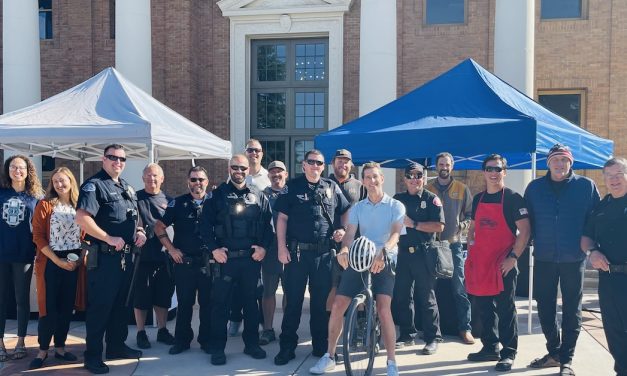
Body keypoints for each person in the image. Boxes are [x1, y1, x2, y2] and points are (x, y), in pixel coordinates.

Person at [309, 162, 404, 376]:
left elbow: (396, 234)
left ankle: (391, 362)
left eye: (375, 177)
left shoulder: (394, 205)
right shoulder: (358, 207)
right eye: (368, 177)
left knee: (383, 309)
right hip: (360, 258)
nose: (372, 181)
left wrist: (384, 252)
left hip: (384, 259)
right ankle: (329, 356)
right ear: (363, 180)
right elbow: (350, 233)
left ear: (382, 179)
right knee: (338, 304)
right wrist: (344, 250)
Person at [525, 144, 600, 375]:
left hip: (573, 258)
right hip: (545, 257)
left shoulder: (586, 187)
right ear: (548, 163)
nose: (560, 164)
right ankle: (554, 351)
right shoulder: (535, 188)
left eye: (564, 160)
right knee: (545, 307)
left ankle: (566, 358)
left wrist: (593, 248)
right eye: (555, 160)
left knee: (571, 309)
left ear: (571, 163)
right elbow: (526, 222)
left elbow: (595, 220)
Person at [274, 149, 351, 365]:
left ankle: (320, 345)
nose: (315, 166)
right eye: (311, 162)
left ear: (323, 166)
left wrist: (343, 230)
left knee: (319, 304)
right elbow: (281, 219)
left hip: (324, 255)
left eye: (319, 163)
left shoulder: (332, 187)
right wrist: (281, 247)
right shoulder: (292, 187)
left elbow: (346, 210)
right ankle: (287, 347)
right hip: (297, 255)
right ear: (304, 165)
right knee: (293, 303)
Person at [76, 144, 146, 374]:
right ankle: (93, 356)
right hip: (105, 260)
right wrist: (108, 238)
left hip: (125, 259)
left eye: (122, 159)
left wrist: (140, 232)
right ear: (102, 159)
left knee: (121, 306)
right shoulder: (94, 186)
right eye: (113, 157)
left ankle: (116, 347)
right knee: (100, 308)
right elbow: (82, 218)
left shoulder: (127, 187)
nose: (118, 162)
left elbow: (134, 218)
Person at [200, 154, 273, 365]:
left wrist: (264, 249)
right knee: (220, 305)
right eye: (235, 167)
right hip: (226, 261)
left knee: (251, 304)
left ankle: (252, 344)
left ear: (248, 170)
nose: (239, 171)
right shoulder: (217, 196)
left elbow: (269, 228)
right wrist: (214, 249)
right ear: (229, 168)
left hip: (251, 260)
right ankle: (217, 348)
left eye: (242, 167)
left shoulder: (259, 196)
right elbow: (204, 227)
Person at [465, 154, 530, 372]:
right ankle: (490, 347)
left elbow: (525, 231)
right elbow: (473, 227)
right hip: (481, 263)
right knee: (484, 309)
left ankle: (508, 352)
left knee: (505, 309)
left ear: (505, 172)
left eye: (498, 169)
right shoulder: (478, 199)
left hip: (503, 264)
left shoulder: (513, 198)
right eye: (490, 169)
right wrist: (470, 245)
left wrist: (513, 258)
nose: (494, 173)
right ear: (483, 172)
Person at [154, 166, 212, 356]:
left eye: (201, 179)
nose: (198, 183)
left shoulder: (214, 202)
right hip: (184, 263)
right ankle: (182, 340)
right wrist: (171, 250)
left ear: (207, 181)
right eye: (194, 179)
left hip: (207, 263)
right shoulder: (178, 203)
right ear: (188, 182)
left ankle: (206, 340)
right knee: (185, 303)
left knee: (207, 304)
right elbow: (159, 226)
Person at [30, 167, 84, 369]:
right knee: (48, 308)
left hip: (73, 261)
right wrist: (57, 261)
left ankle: (60, 349)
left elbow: (85, 236)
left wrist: (78, 260)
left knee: (66, 308)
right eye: (55, 182)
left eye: (63, 180)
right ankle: (43, 350)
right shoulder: (45, 205)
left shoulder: (79, 205)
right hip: (51, 261)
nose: (59, 185)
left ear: (71, 181)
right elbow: (38, 236)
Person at [391, 162, 445, 354]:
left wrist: (414, 223)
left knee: (427, 297)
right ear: (404, 178)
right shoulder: (397, 200)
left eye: (418, 175)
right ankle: (407, 335)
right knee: (402, 297)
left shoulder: (432, 199)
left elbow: (439, 226)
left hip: (424, 254)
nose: (415, 179)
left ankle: (432, 337)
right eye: (410, 175)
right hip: (403, 254)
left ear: (424, 177)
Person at [581, 157, 627, 376]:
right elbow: (586, 238)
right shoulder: (601, 207)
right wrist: (592, 251)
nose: (614, 180)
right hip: (609, 279)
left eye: (619, 174)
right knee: (614, 330)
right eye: (609, 176)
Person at [426, 152, 475, 344]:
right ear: (436, 166)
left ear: (452, 166)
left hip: (453, 245)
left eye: (447, 164)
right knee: (429, 289)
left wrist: (459, 229)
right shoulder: (428, 189)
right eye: (440, 164)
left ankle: (465, 328)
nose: (444, 167)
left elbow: (471, 216)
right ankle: (432, 331)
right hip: (432, 246)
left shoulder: (462, 189)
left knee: (459, 288)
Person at [0, 155, 43, 362]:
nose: (18, 171)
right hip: (1, 254)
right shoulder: (0, 194)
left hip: (24, 255)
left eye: (22, 167)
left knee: (21, 299)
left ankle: (20, 341)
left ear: (28, 171)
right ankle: (0, 344)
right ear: (8, 170)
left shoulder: (35, 197)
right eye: (14, 167)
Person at [228, 138, 270, 337]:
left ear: (262, 153)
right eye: (250, 150)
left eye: (257, 150)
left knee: (258, 286)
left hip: (259, 239)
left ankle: (260, 322)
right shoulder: (235, 176)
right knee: (236, 285)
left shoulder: (268, 177)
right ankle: (235, 318)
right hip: (237, 238)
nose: (254, 153)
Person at [133, 164, 175, 349]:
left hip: (164, 257)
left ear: (162, 178)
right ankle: (141, 332)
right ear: (143, 178)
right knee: (141, 298)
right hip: (141, 257)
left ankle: (162, 330)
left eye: (156, 175)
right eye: (148, 175)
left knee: (163, 296)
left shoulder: (170, 200)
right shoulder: (134, 198)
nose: (152, 179)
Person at [327, 149, 367, 310]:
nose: (343, 164)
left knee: (358, 285)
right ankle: (328, 324)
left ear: (351, 165)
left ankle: (360, 322)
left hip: (354, 244)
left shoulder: (360, 186)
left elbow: (366, 212)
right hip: (328, 243)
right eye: (339, 160)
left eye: (346, 161)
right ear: (333, 163)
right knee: (331, 285)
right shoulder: (324, 183)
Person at [259, 160, 289, 346]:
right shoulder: (261, 196)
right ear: (268, 175)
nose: (276, 175)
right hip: (270, 251)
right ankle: (268, 329)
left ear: (286, 174)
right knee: (268, 291)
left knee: (290, 291)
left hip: (290, 250)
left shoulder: (293, 193)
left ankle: (287, 328)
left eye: (280, 172)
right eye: (272, 172)